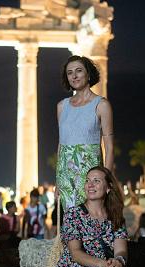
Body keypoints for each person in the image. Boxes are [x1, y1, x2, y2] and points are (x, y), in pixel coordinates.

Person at [55, 55, 114, 211]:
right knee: (71, 223)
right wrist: (57, 181)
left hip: (91, 173)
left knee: (91, 218)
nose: (74, 76)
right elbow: (61, 144)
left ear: (89, 74)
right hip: (66, 175)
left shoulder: (102, 104)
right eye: (70, 72)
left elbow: (109, 147)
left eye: (79, 71)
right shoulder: (62, 106)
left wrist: (106, 179)